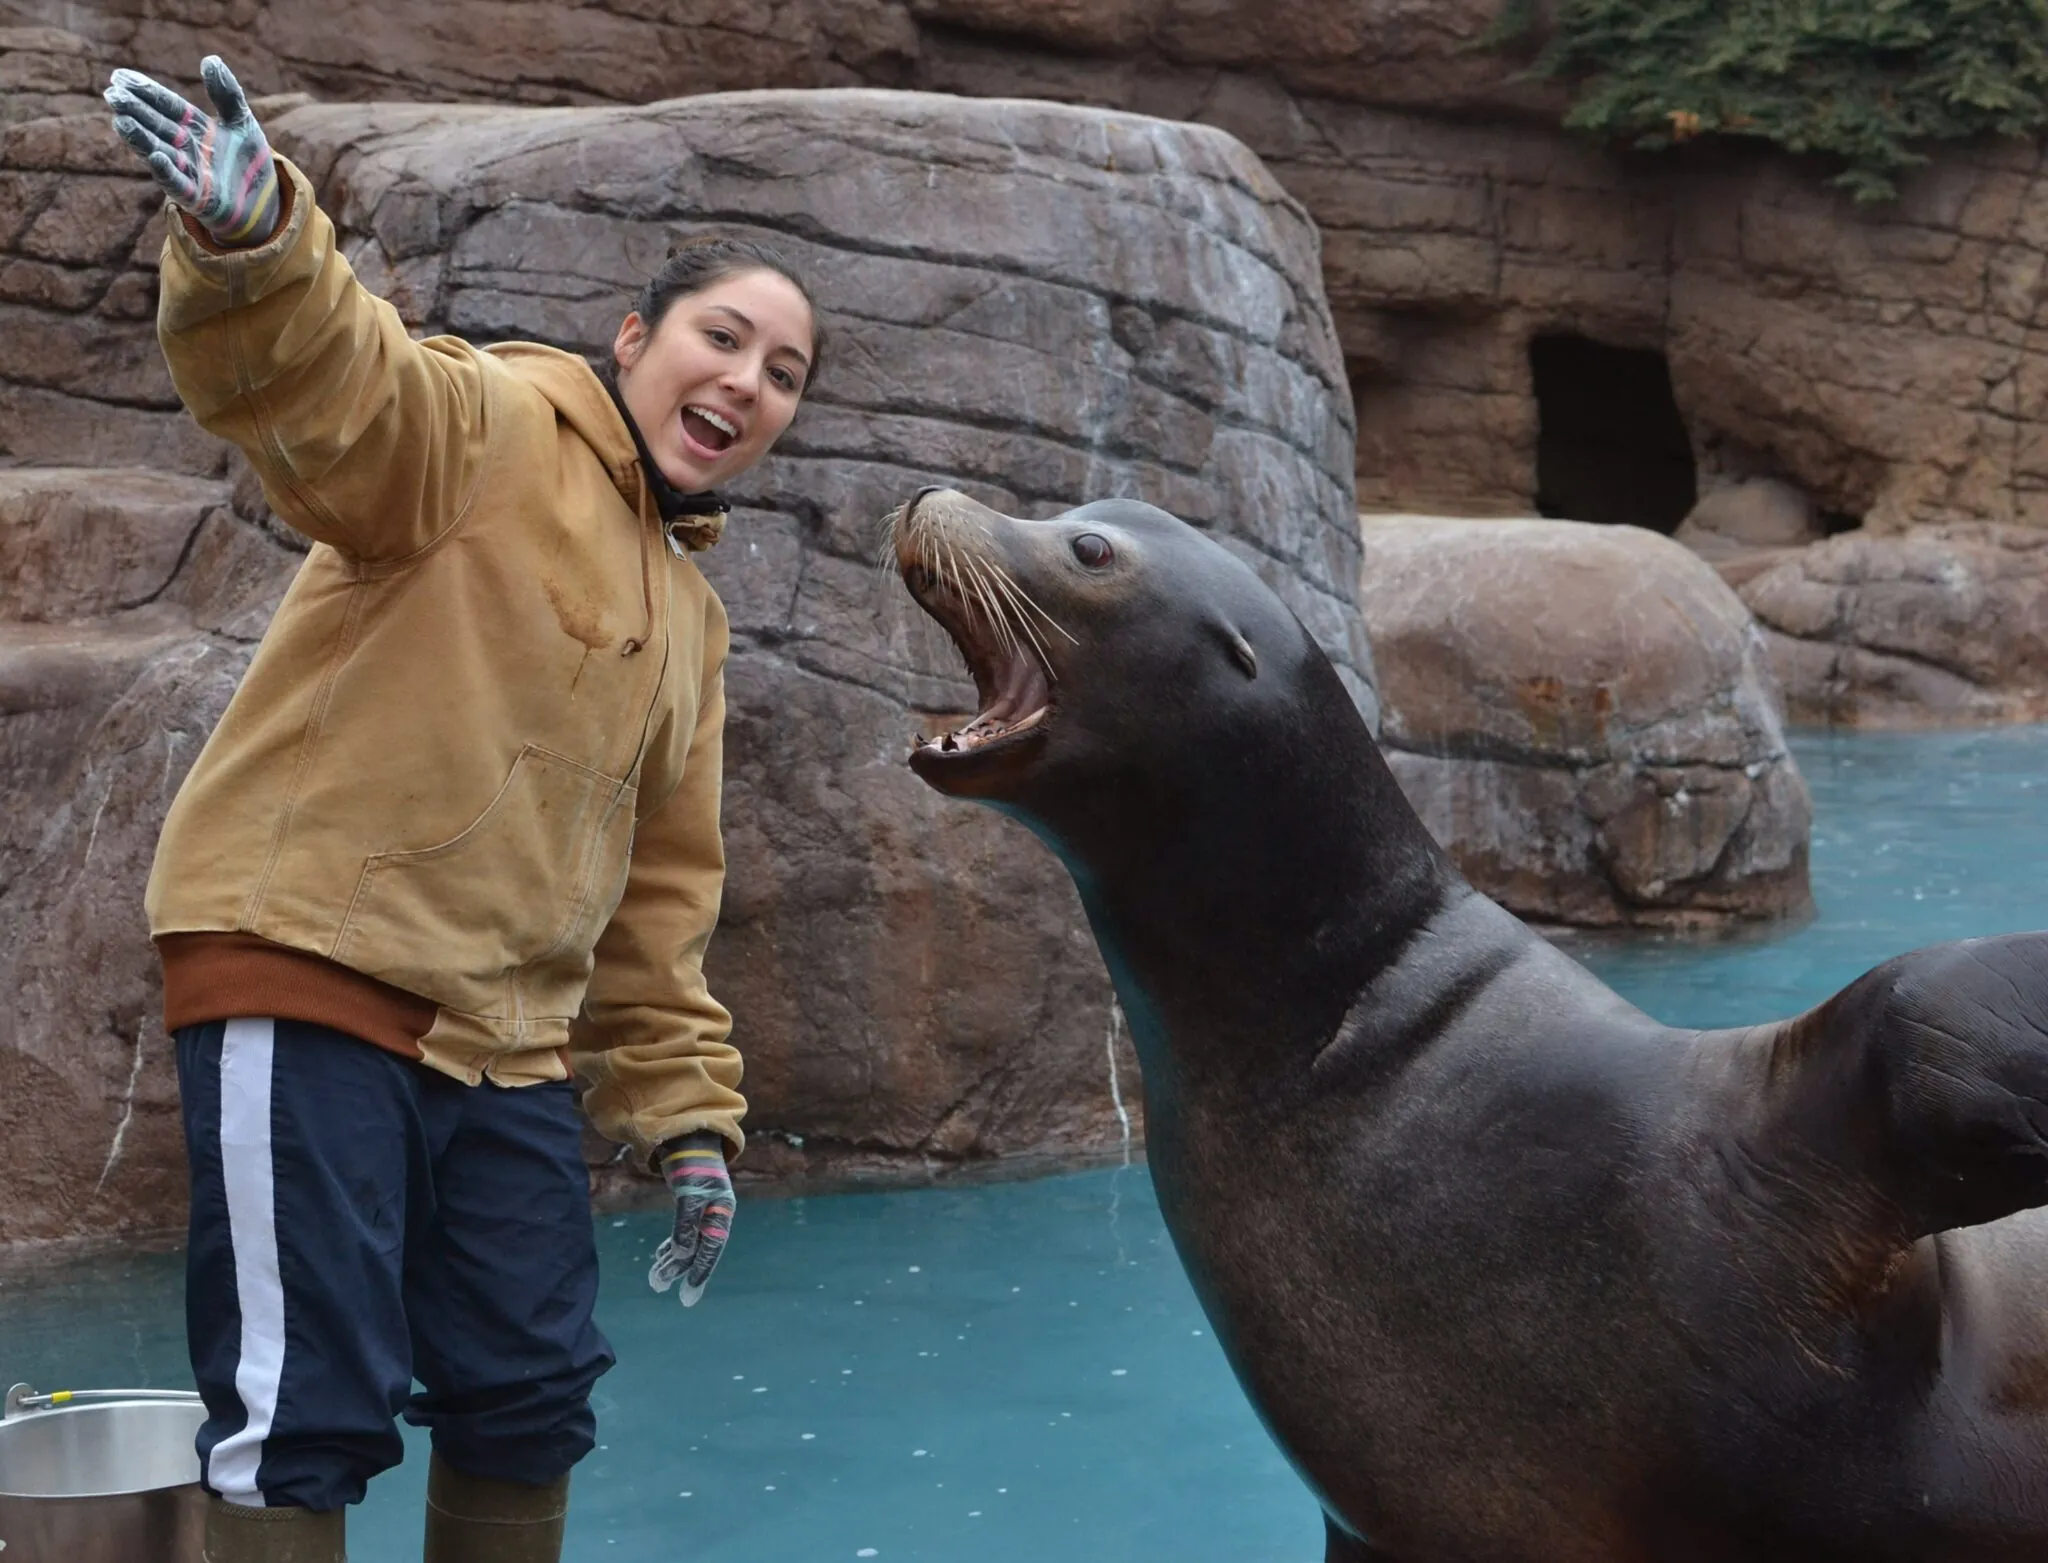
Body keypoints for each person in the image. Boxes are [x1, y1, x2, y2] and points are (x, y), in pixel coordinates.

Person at [102, 53, 820, 1563]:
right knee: (303, 1406)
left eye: (785, 372)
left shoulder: (692, 623)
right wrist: (261, 249)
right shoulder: (491, 424)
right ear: (635, 341)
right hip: (312, 968)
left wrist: (685, 1113)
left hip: (505, 1048)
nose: (747, 381)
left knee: (530, 1391)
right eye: (723, 337)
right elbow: (345, 391)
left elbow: (659, 896)